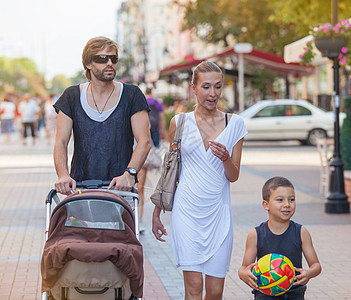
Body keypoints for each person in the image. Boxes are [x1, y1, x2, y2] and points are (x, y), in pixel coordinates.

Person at [152, 61, 247, 300]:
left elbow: (233, 176)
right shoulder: (179, 122)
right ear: (193, 88)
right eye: (206, 87)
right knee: (193, 288)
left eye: (217, 86)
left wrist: (226, 158)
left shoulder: (234, 124)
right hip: (187, 213)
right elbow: (169, 169)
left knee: (215, 292)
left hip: (218, 214)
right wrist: (157, 210)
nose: (212, 93)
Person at [53, 36, 151, 195]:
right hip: (80, 189)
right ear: (88, 64)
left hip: (121, 189)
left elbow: (144, 141)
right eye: (102, 58)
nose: (110, 63)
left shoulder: (131, 95)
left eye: (113, 58)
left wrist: (129, 174)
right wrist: (63, 175)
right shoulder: (71, 96)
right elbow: (61, 142)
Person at [238, 176, 322, 300]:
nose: (287, 204)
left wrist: (309, 273)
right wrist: (243, 274)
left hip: (294, 293)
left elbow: (316, 265)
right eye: (280, 200)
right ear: (266, 205)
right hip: (265, 294)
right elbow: (244, 267)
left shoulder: (301, 232)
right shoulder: (256, 234)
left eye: (291, 199)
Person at [137, 87, 165, 231]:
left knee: (138, 188)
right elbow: (161, 118)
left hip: (140, 145)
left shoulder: (140, 101)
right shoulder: (157, 103)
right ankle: (138, 220)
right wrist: (162, 132)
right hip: (150, 140)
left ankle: (137, 220)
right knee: (140, 188)